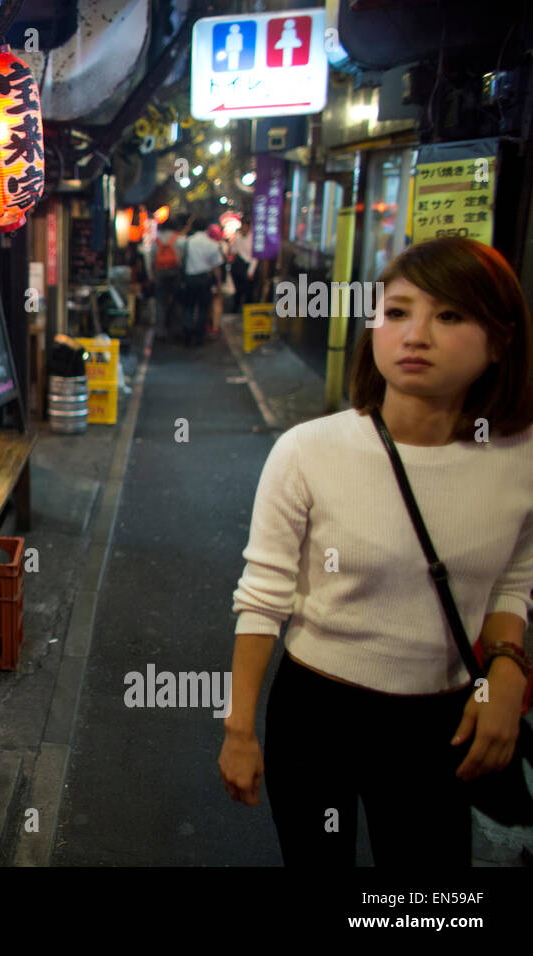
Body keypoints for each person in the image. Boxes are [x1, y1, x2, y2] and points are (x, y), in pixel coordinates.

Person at [220, 237, 533, 866]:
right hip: (317, 710)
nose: (416, 334)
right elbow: (262, 598)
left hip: (440, 718)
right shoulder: (309, 450)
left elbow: (513, 577)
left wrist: (506, 669)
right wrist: (239, 728)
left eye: (449, 315)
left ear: (500, 341)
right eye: (397, 312)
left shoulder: (519, 456)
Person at [181, 218, 224, 346]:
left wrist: (186, 227)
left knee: (188, 306)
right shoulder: (212, 244)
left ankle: (188, 332)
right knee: (203, 308)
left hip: (189, 278)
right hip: (204, 279)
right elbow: (217, 267)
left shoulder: (188, 242)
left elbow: (181, 257)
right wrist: (219, 284)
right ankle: (199, 335)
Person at [149, 215, 183, 342]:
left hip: (159, 274)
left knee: (160, 302)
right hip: (175, 273)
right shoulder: (178, 239)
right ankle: (176, 329)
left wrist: (152, 275)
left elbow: (152, 260)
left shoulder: (156, 240)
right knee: (176, 302)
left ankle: (160, 331)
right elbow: (182, 259)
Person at [229, 216, 258, 313]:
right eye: (243, 226)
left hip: (248, 266)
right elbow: (234, 251)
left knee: (248, 292)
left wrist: (251, 271)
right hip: (238, 266)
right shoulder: (237, 236)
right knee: (238, 291)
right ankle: (235, 309)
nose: (244, 229)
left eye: (247, 226)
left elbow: (255, 257)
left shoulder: (253, 239)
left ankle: (247, 312)